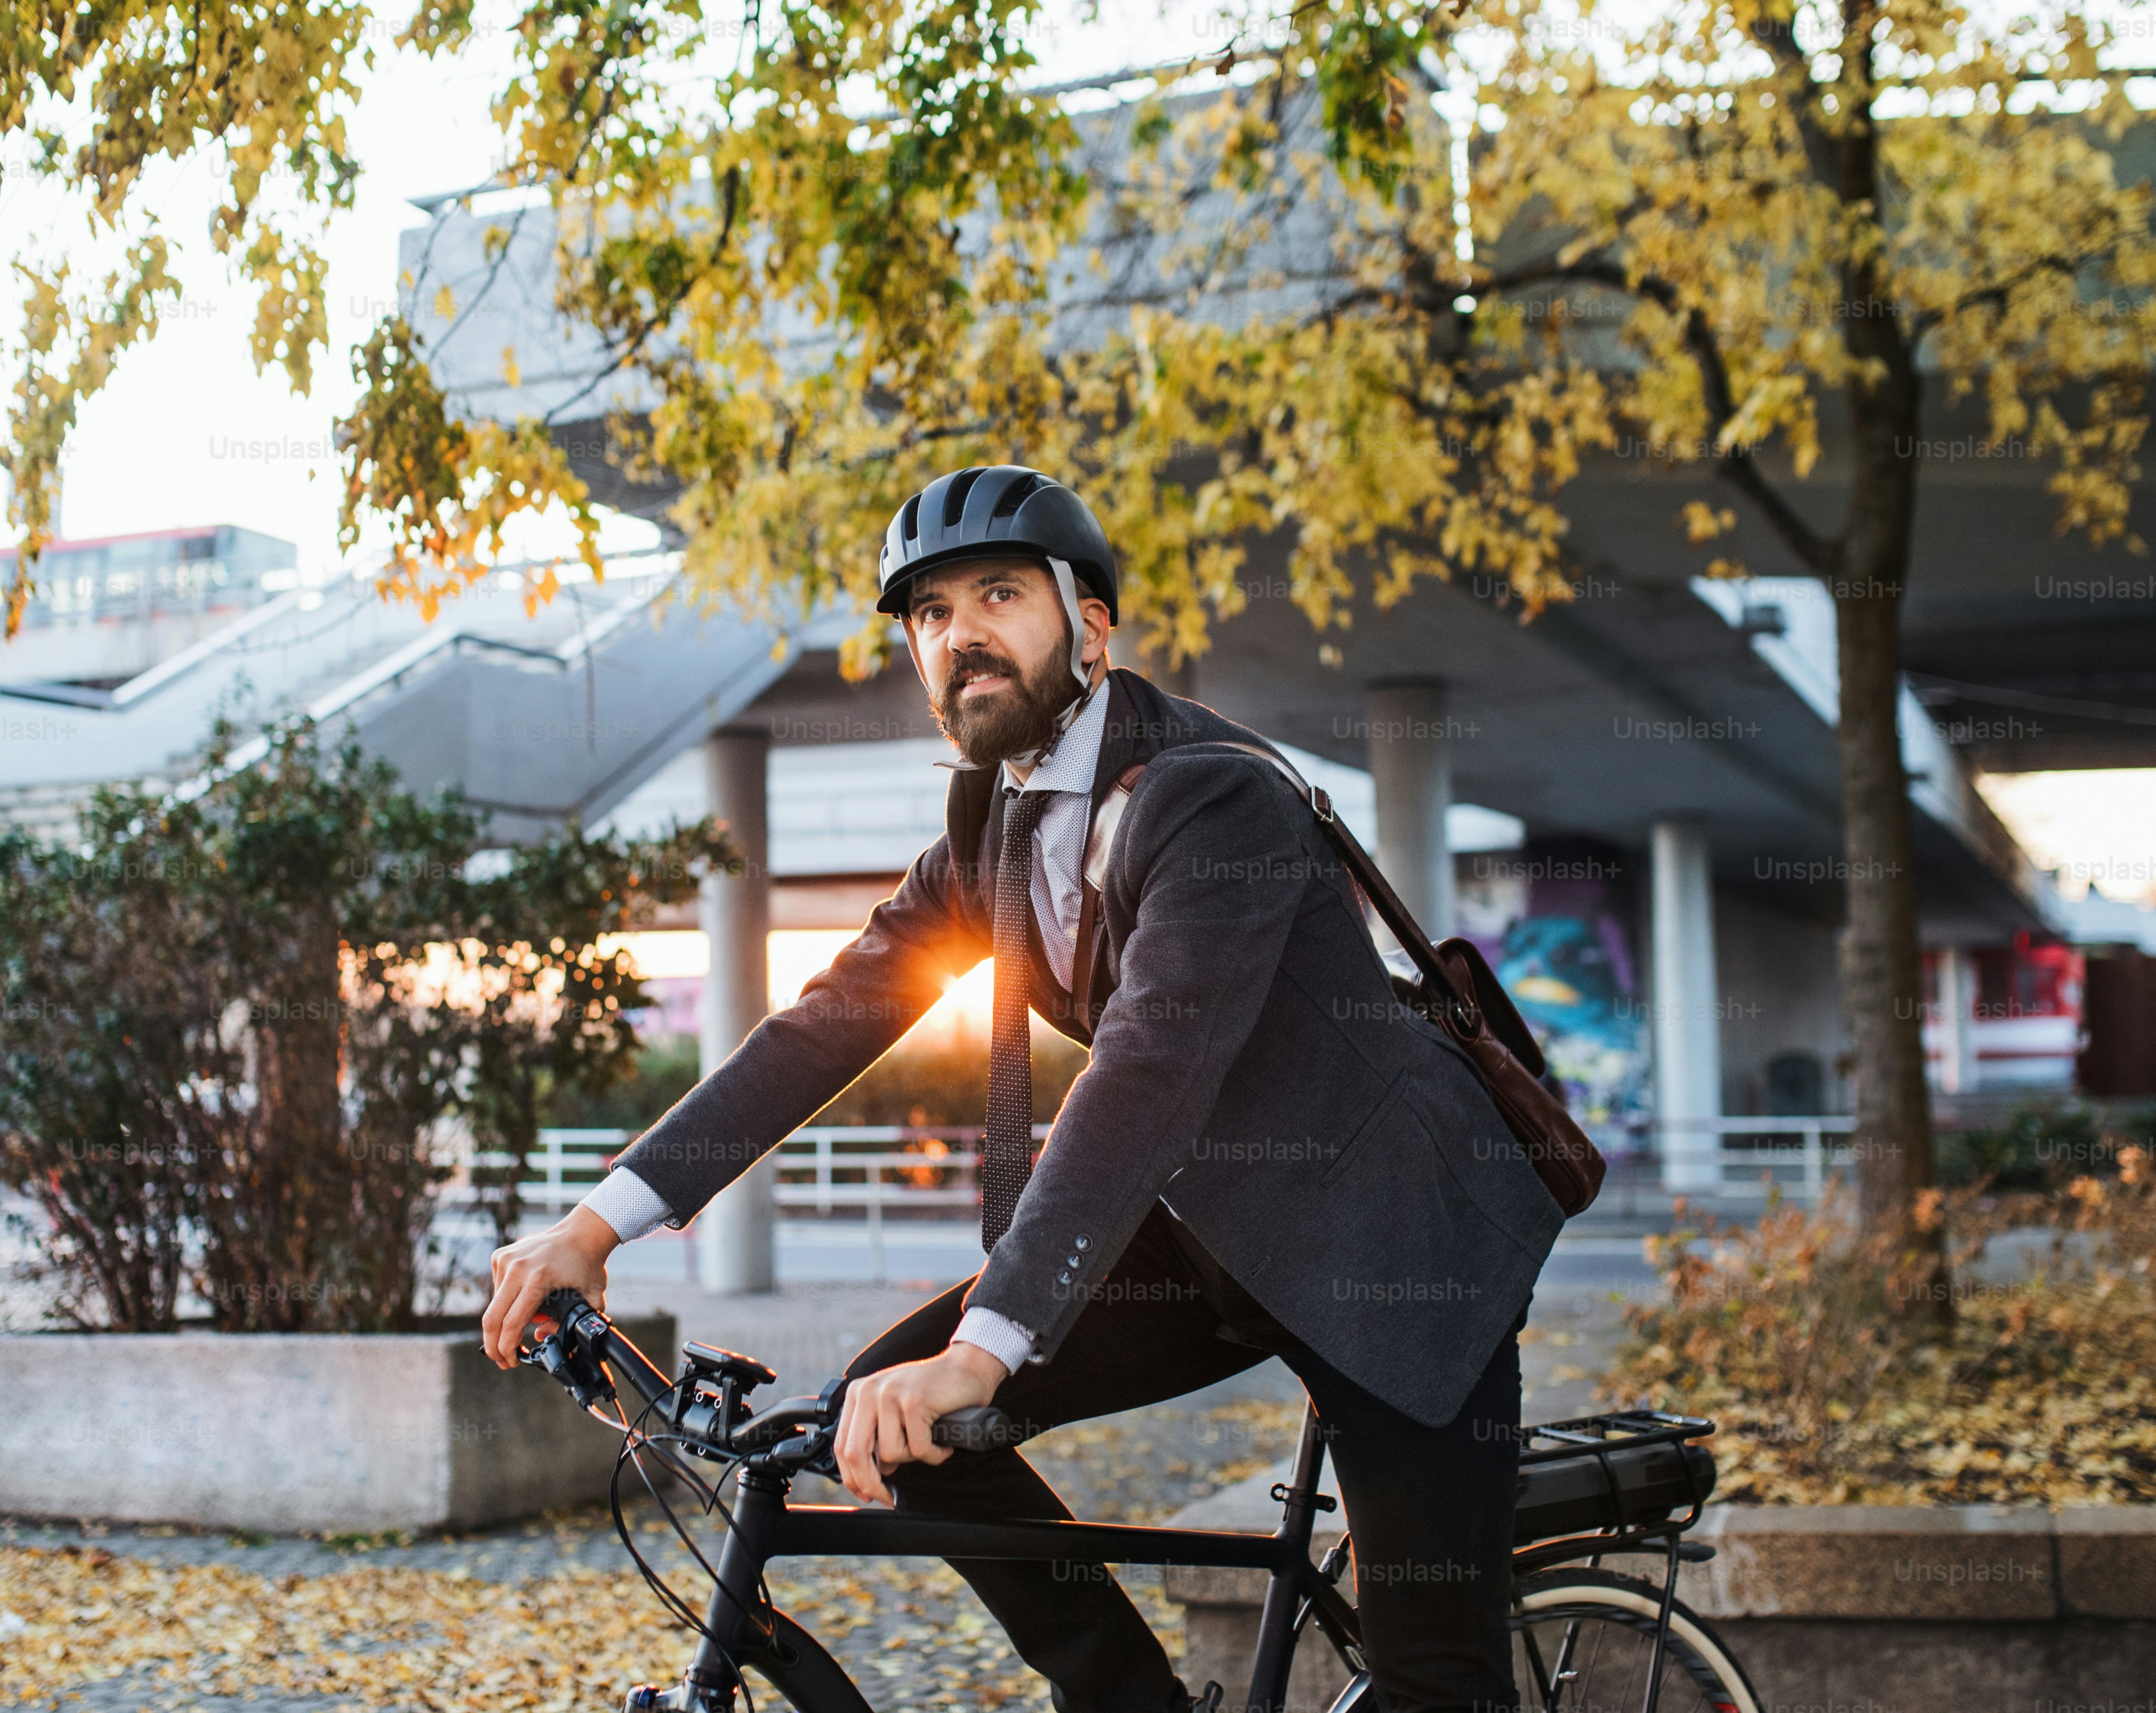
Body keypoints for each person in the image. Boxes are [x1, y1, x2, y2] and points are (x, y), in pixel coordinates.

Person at [484, 466, 1560, 1713]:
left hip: (1392, 1234)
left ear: (1091, 629)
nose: (961, 633)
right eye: (931, 614)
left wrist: (985, 1349)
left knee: (1438, 1678)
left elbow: (1144, 1070)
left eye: (1000, 592)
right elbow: (828, 1018)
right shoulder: (986, 831)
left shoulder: (1211, 796)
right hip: (1213, 1230)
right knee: (894, 1424)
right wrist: (595, 1220)